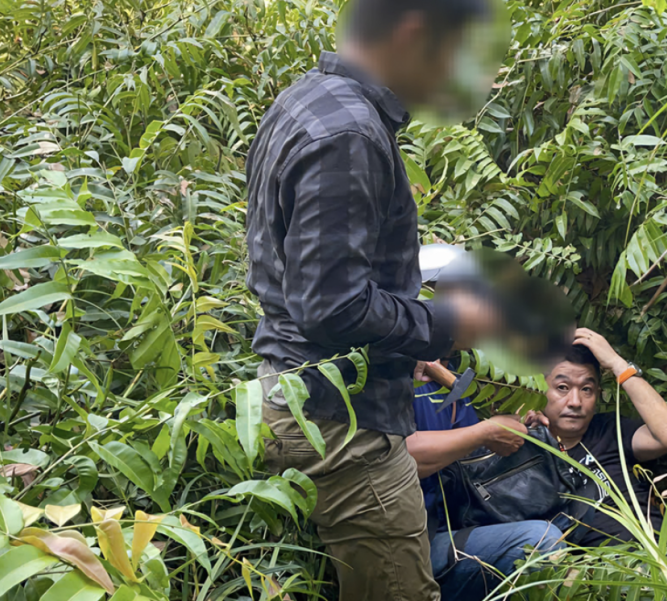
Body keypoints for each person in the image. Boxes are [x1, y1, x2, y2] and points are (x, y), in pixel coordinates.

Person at [245, 2, 500, 600]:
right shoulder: (351, 134)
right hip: (342, 423)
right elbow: (331, 306)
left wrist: (404, 347)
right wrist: (446, 322)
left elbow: (304, 282)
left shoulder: (305, 101)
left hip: (299, 394)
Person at [408, 364, 565, 601]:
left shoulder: (455, 370)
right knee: (540, 541)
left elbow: (465, 459)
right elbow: (395, 458)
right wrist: (485, 432)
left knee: (564, 518)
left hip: (457, 520)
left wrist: (516, 425)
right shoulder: (395, 371)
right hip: (413, 541)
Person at [527, 328, 667, 546]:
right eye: (562, 387)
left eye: (586, 389)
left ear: (597, 394)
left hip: (662, 552)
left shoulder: (610, 429)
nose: (575, 402)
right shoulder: (523, 448)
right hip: (597, 565)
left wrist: (617, 364)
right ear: (538, 389)